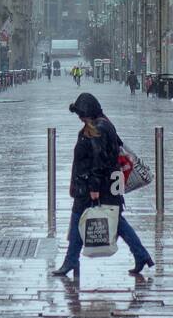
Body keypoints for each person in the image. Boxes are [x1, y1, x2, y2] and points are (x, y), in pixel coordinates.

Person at [53, 93, 155, 279]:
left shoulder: (97, 128)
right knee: (118, 223)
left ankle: (71, 260)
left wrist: (93, 188)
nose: (80, 118)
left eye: (82, 114)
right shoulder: (103, 124)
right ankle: (141, 255)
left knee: (78, 219)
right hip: (104, 185)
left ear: (89, 112)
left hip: (94, 186)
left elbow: (99, 162)